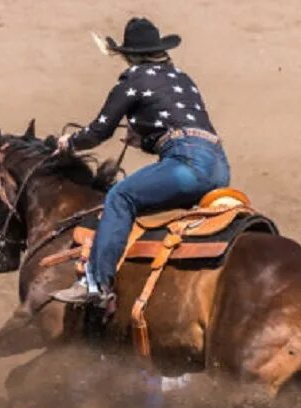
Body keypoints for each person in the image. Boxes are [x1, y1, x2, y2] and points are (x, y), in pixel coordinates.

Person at [51, 17, 231, 306]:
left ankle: (95, 284)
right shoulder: (183, 79)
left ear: (132, 56)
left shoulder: (133, 80)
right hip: (219, 166)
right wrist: (145, 140)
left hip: (187, 164)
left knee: (121, 196)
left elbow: (99, 131)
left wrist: (70, 142)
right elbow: (179, 125)